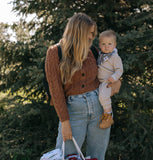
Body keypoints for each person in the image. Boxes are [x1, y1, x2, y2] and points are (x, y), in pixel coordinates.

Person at [45, 13, 121, 160]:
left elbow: (108, 72)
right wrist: (65, 122)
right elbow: (56, 90)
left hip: (99, 109)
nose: (92, 37)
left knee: (97, 157)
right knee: (66, 157)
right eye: (89, 33)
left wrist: (117, 82)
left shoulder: (93, 51)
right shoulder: (55, 52)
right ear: (78, 32)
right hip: (73, 112)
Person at [97, 30, 123, 129]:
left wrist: (114, 78)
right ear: (99, 44)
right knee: (101, 95)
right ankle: (106, 113)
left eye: (109, 44)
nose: (106, 46)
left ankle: (108, 115)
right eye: (103, 44)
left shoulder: (114, 57)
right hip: (99, 81)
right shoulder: (100, 55)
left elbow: (119, 70)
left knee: (103, 96)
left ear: (114, 45)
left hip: (108, 81)